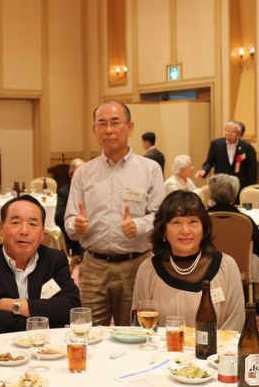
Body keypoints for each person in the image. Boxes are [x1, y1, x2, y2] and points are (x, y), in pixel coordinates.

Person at [65, 100, 165, 326]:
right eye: (102, 124)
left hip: (136, 266)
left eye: (115, 123)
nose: (108, 130)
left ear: (130, 127)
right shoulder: (83, 173)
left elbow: (160, 217)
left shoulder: (149, 169)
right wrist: (76, 225)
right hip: (94, 267)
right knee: (88, 333)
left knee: (134, 333)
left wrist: (138, 226)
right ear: (94, 130)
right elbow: (70, 221)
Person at [0, 195, 81, 335]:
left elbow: (72, 308)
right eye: (16, 222)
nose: (24, 231)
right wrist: (48, 318)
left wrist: (15, 305)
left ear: (42, 233)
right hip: (0, 345)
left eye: (33, 224)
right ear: (1, 228)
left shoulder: (55, 260)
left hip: (47, 344)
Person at [131, 191, 244, 331]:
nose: (185, 230)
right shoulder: (148, 270)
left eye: (193, 222)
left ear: (204, 228)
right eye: (176, 222)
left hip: (215, 346)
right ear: (163, 229)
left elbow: (235, 324)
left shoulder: (226, 267)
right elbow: (141, 328)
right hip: (162, 346)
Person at [206, 174, 259, 261]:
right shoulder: (245, 221)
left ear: (211, 196)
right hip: (238, 269)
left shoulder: (203, 219)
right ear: (234, 196)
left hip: (207, 268)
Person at [195, 120, 257, 192]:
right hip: (220, 185)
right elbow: (209, 162)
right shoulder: (216, 144)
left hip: (239, 186)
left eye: (232, 133)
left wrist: (249, 189)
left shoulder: (247, 148)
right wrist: (204, 170)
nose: (229, 136)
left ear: (239, 134)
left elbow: (251, 171)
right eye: (227, 132)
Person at [54, 157, 85, 256]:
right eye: (81, 171)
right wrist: (75, 224)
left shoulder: (90, 188)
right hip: (75, 238)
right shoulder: (64, 192)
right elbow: (59, 217)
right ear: (71, 174)